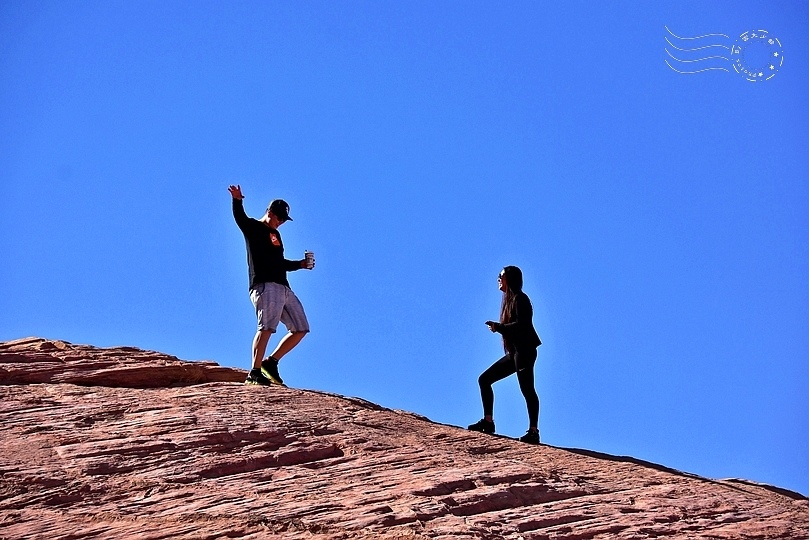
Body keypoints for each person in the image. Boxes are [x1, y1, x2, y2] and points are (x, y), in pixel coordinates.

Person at [228, 184, 315, 386]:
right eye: (279, 218)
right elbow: (240, 218)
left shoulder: (276, 236)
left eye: (284, 220)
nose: (281, 222)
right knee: (266, 327)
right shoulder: (254, 228)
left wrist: (300, 265)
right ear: (269, 212)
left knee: (301, 328)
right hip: (264, 285)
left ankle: (271, 362)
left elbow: (279, 262)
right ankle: (254, 372)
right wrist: (237, 200)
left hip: (283, 286)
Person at [468, 266, 542, 444]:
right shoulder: (509, 300)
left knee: (527, 389)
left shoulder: (520, 299)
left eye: (501, 276)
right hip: (515, 353)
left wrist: (498, 327)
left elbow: (522, 325)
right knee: (484, 379)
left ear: (510, 278)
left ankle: (533, 432)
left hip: (525, 352)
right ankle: (488, 422)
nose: (498, 279)